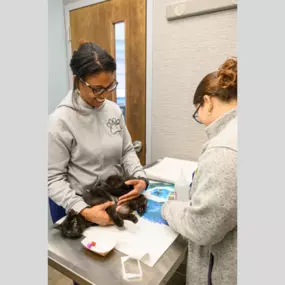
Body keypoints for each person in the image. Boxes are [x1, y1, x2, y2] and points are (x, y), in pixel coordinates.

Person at [48, 41, 149, 285]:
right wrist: (85, 211)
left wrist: (139, 176)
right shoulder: (59, 122)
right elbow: (51, 179)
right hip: (85, 205)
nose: (103, 96)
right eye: (96, 89)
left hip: (115, 198)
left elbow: (126, 149)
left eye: (110, 86)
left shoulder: (113, 110)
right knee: (90, 276)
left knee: (122, 271)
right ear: (77, 79)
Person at [161, 57, 237, 285]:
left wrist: (168, 208)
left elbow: (202, 228)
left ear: (208, 102)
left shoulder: (224, 148)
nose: (201, 120)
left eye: (198, 113)